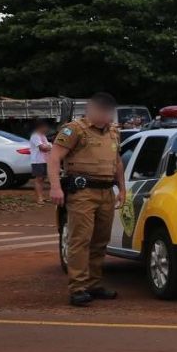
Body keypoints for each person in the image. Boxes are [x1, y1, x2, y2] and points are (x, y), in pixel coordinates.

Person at [48, 92, 125, 307]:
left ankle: (94, 283)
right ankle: (78, 288)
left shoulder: (112, 132)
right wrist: (55, 187)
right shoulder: (75, 130)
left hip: (105, 192)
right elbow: (54, 157)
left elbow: (117, 161)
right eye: (107, 113)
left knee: (100, 240)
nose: (110, 118)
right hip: (83, 192)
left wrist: (122, 189)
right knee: (80, 240)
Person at [28, 120, 52, 204]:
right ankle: (39, 198)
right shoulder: (35, 136)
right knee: (39, 179)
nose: (47, 129)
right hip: (37, 161)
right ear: (40, 127)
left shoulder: (43, 136)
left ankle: (42, 197)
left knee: (43, 179)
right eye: (45, 127)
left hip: (45, 160)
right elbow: (43, 148)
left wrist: (48, 146)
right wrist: (49, 146)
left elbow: (48, 146)